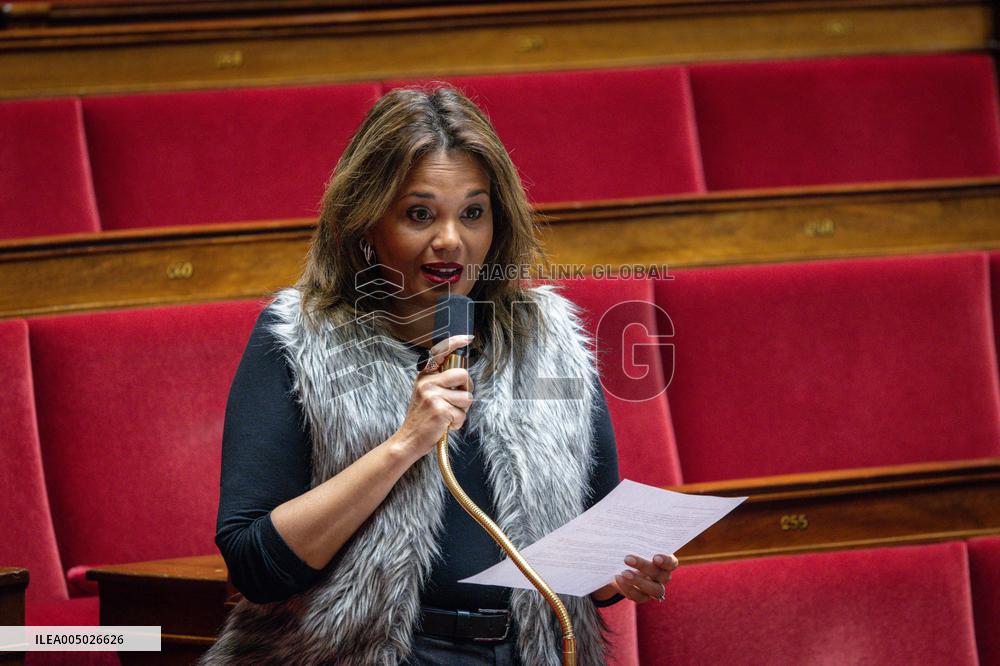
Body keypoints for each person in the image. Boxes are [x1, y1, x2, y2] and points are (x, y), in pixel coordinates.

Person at [199, 85, 678, 666]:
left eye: (472, 213)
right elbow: (254, 567)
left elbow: (593, 550)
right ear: (368, 222)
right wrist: (405, 444)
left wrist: (620, 574)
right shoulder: (300, 340)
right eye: (419, 213)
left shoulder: (549, 340)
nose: (451, 239)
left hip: (528, 652)